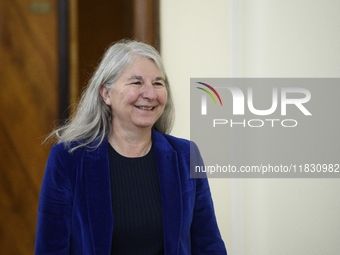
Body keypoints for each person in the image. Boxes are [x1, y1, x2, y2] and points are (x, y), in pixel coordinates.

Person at [35, 39, 227, 255]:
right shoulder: (68, 159)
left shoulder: (186, 155)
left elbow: (208, 243)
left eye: (158, 83)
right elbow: (50, 248)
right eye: (136, 83)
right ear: (106, 94)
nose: (150, 94)